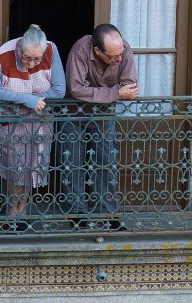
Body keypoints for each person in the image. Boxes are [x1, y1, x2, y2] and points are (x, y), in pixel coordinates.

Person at [59, 24, 139, 226]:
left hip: (104, 115)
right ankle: (77, 213)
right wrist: (114, 93)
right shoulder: (80, 49)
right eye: (113, 56)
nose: (119, 59)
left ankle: (107, 213)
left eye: (120, 54)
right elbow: (76, 89)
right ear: (97, 51)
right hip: (73, 113)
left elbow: (129, 86)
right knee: (72, 163)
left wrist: (97, 93)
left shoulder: (123, 50)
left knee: (106, 162)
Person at [0, 24, 66, 226]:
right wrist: (28, 100)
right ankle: (11, 213)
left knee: (33, 168)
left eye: (37, 59)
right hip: (12, 122)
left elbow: (59, 90)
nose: (31, 63)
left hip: (40, 121)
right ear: (20, 46)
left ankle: (21, 211)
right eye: (26, 58)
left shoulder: (51, 50)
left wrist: (31, 99)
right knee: (17, 169)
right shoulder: (4, 54)